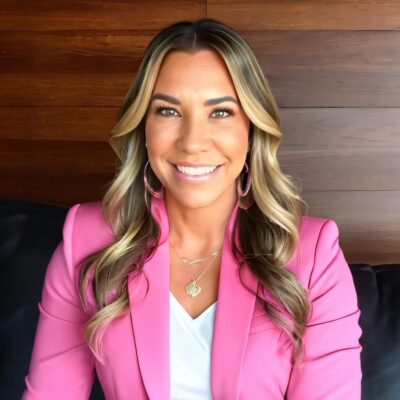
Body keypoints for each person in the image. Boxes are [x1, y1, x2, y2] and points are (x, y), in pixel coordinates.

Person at [22, 18, 362, 399]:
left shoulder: (314, 253)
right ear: (143, 127)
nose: (193, 142)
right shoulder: (84, 239)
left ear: (251, 128)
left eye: (220, 112)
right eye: (168, 111)